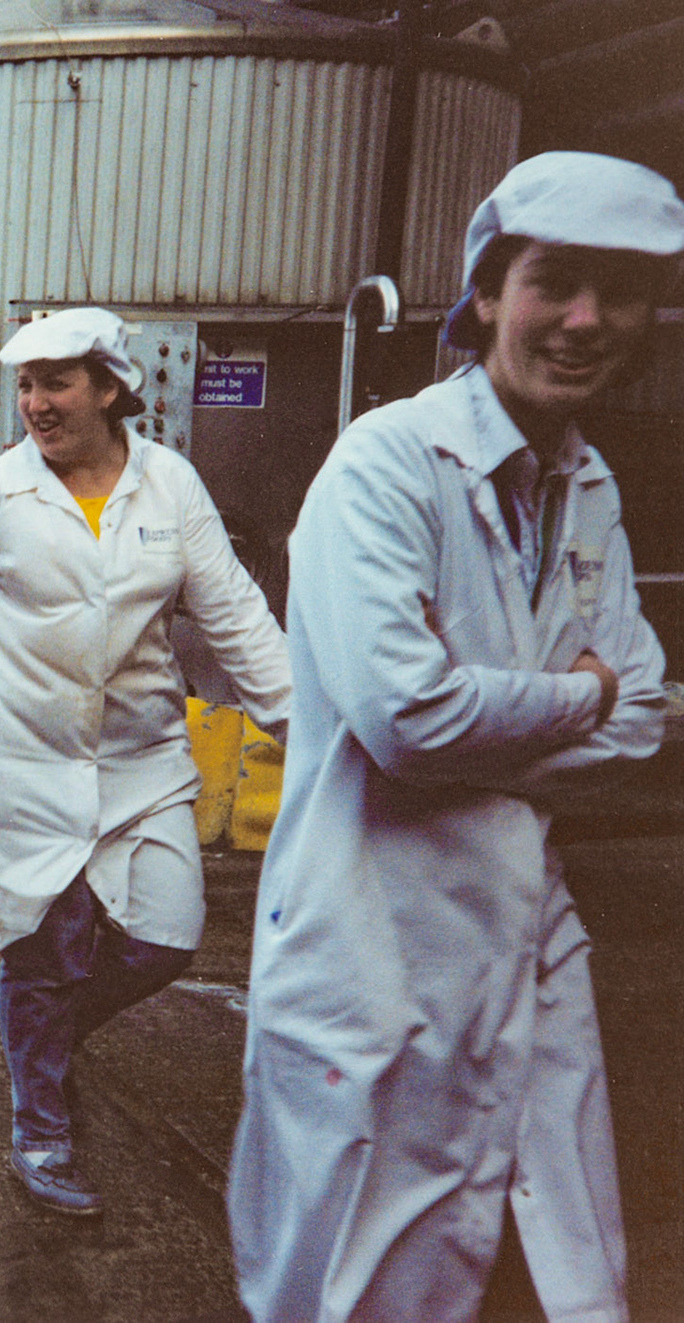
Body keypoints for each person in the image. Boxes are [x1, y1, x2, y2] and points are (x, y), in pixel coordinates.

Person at [228, 152, 682, 1322]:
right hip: (371, 959)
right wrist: (574, 694)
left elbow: (646, 723)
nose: (586, 320)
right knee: (354, 1291)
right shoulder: (385, 469)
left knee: (560, 1280)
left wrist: (522, 706)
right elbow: (407, 719)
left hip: (529, 945)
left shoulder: (589, 485)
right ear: (488, 292)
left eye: (620, 291)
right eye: (555, 281)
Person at [0, 307, 290, 1216]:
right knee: (52, 948)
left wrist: (303, 722)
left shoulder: (169, 486)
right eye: (26, 384)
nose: (35, 402)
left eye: (56, 382)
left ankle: (46, 1046)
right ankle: (42, 1129)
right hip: (17, 763)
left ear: (110, 387)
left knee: (164, 938)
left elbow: (232, 613)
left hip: (138, 760)